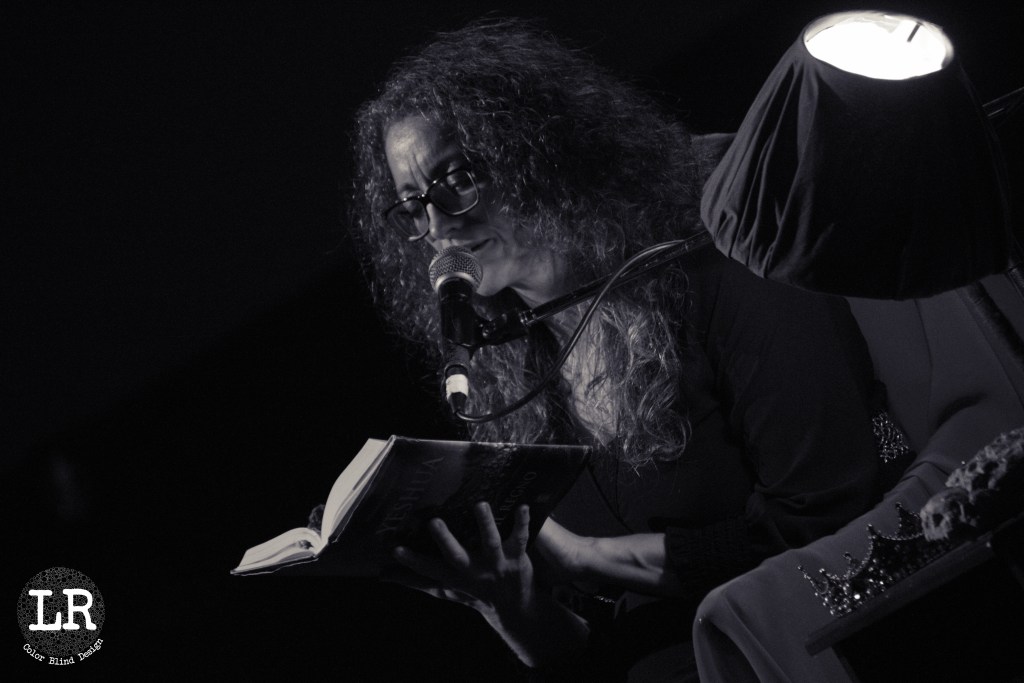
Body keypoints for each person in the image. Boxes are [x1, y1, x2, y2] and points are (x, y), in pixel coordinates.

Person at [348, 17, 900, 682]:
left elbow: (827, 515)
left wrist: (589, 558)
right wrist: (505, 603)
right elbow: (591, 643)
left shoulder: (713, 267)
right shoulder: (507, 372)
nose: (437, 225)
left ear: (536, 153)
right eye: (413, 205)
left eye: (456, 177)